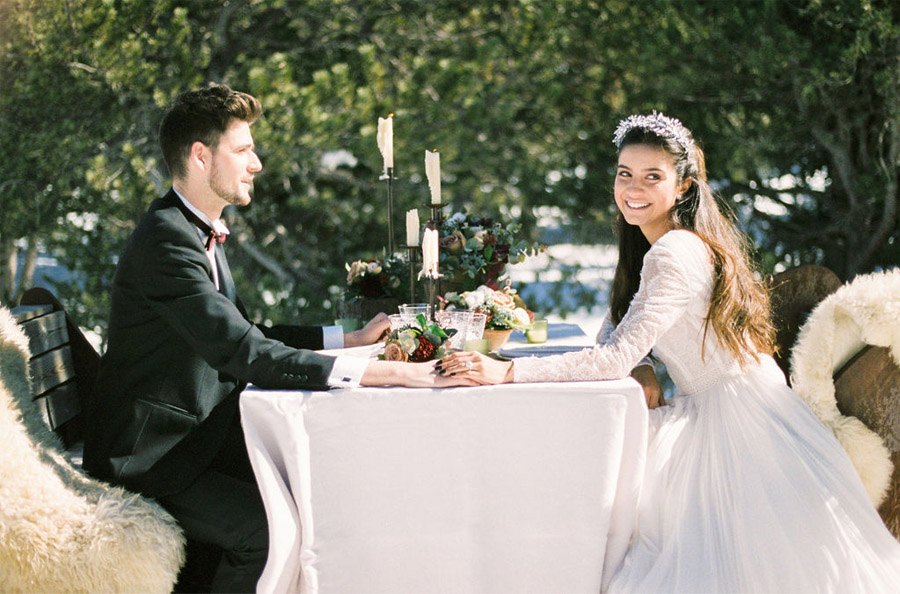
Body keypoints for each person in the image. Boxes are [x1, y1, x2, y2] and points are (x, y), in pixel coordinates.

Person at [438, 112, 900, 591]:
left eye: (652, 176)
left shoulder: (675, 252)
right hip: (727, 403)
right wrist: (643, 364)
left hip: (739, 422)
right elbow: (615, 333)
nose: (633, 187)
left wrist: (505, 373)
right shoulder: (657, 244)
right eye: (625, 174)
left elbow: (608, 358)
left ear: (682, 187)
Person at [83, 83, 451, 592]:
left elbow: (246, 333)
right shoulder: (167, 241)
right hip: (150, 457)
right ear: (199, 156)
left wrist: (351, 337)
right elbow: (245, 352)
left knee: (320, 485)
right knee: (267, 533)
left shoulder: (193, 228)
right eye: (242, 150)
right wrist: (394, 373)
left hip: (197, 438)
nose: (255, 163)